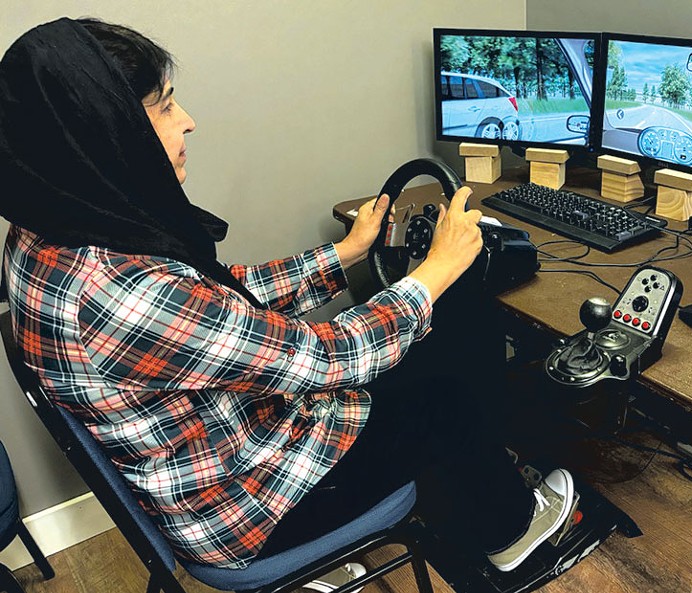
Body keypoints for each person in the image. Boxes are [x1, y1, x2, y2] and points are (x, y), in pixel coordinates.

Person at [0, 16, 574, 582]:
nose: (189, 121)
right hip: (249, 510)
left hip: (222, 456)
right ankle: (512, 531)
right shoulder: (121, 291)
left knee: (428, 349)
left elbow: (220, 306)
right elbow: (332, 359)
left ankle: (477, 479)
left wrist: (345, 253)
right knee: (444, 389)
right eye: (168, 106)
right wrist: (438, 269)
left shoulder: (48, 230)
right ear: (111, 132)